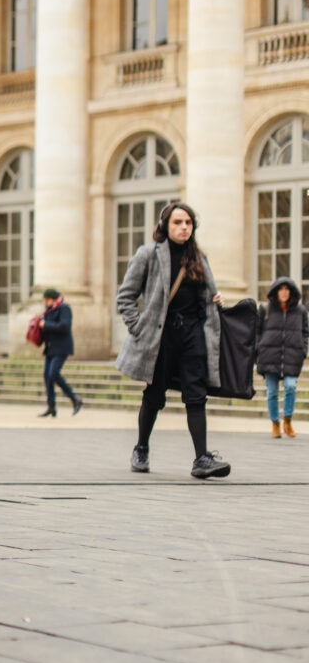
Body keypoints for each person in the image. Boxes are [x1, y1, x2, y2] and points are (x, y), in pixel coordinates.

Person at [116, 202, 229, 479]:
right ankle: (141, 448)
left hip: (192, 335)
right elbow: (125, 296)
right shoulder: (148, 254)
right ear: (165, 225)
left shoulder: (199, 258)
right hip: (161, 337)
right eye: (178, 222)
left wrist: (217, 302)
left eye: (188, 222)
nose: (184, 227)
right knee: (154, 396)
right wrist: (138, 327)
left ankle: (201, 459)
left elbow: (207, 297)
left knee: (196, 397)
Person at [256, 276, 307, 439]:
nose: (284, 292)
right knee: (272, 392)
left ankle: (288, 420)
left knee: (291, 386)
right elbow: (256, 333)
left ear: (291, 292)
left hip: (292, 357)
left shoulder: (300, 311)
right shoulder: (266, 309)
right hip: (269, 356)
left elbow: (306, 333)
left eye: (287, 289)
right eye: (281, 289)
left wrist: (303, 350)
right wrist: (258, 351)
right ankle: (275, 424)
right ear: (276, 292)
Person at [38, 288, 83, 417]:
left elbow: (64, 326)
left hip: (62, 347)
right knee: (47, 376)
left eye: (46, 300)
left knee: (53, 373)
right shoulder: (48, 311)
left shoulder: (64, 309)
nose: (45, 302)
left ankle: (75, 398)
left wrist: (45, 324)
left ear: (52, 299)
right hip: (50, 348)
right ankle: (51, 406)